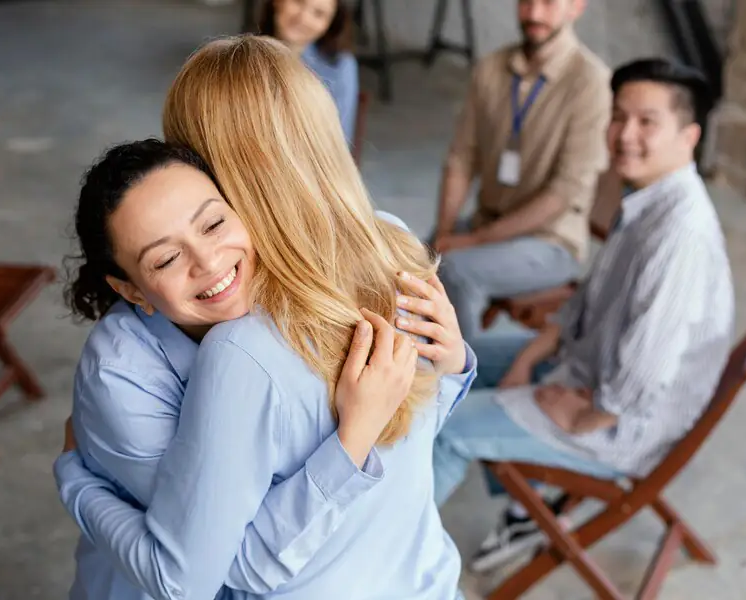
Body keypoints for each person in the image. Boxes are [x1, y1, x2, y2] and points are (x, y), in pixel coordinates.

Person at [54, 36, 477, 600]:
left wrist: (75, 479)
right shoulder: (392, 240)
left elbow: (203, 575)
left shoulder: (241, 351)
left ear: (208, 167)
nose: (205, 260)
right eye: (166, 255)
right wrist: (448, 371)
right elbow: (409, 428)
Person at [433, 57, 735, 573]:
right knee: (454, 363)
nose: (624, 134)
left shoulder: (680, 234)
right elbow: (584, 304)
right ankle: (526, 500)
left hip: (619, 424)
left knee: (444, 430)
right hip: (585, 368)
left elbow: (646, 369)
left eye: (646, 122)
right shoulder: (646, 200)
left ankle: (384, 569)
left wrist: (586, 416)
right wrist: (530, 358)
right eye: (618, 117)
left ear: (689, 136)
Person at [433, 0, 611, 344]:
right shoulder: (490, 68)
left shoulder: (591, 84)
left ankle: (458, 384)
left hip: (550, 241)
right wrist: (444, 232)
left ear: (576, 7)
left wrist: (470, 241)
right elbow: (461, 159)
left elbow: (563, 193)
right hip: (486, 221)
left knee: (456, 273)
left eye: (548, 3)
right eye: (527, 2)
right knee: (408, 257)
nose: (534, 14)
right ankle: (410, 374)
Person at [258, 0, 359, 142]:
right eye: (298, 2)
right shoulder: (239, 53)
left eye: (319, 14)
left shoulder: (340, 65)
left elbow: (339, 141)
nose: (303, 17)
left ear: (331, 23)